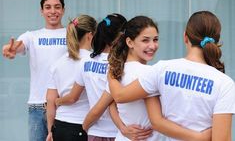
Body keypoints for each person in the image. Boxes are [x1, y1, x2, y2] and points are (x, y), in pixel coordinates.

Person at [108, 11, 235, 141]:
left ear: (185, 37)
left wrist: (111, 70)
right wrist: (200, 137)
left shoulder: (161, 69)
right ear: (216, 40)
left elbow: (121, 97)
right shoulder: (225, 84)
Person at [84, 15, 211, 141]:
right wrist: (200, 136)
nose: (152, 46)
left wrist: (122, 127)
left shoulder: (117, 72)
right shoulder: (149, 73)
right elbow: (158, 121)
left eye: (155, 40)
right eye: (145, 40)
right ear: (129, 42)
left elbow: (110, 103)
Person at [2, 0, 66, 141]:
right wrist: (10, 49)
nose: (52, 11)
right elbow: (17, 46)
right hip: (36, 107)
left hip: (64, 107)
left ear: (63, 10)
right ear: (41, 11)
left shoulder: (71, 35)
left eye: (57, 7)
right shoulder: (32, 36)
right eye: (48, 7)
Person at [55, 13, 127, 141]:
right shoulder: (120, 65)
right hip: (117, 132)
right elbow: (107, 104)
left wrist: (57, 102)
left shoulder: (86, 62)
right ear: (121, 37)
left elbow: (73, 96)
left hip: (94, 131)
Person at [46, 15, 97, 141]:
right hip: (84, 126)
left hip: (59, 126)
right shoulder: (93, 62)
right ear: (90, 35)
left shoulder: (57, 64)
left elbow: (50, 101)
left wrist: (50, 131)